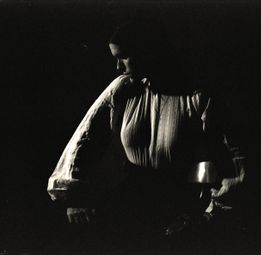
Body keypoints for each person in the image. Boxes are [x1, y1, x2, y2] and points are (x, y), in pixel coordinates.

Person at [47, 20, 245, 235]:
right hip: (131, 197)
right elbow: (86, 137)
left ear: (148, 53)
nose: (118, 67)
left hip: (185, 202)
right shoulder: (123, 89)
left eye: (123, 57)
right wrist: (76, 197)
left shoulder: (199, 97)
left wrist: (207, 216)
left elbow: (232, 159)